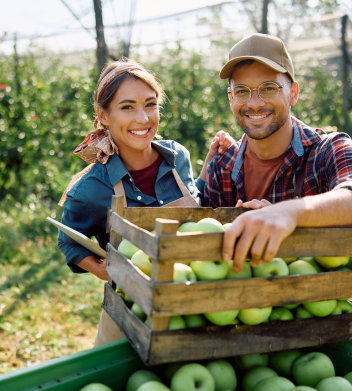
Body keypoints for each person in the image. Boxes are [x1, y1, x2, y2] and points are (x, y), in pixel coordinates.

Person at [57, 58, 232, 346]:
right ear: (103, 115)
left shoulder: (178, 158)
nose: (143, 119)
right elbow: (68, 241)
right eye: (128, 107)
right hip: (130, 313)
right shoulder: (91, 188)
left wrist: (211, 162)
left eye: (150, 104)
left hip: (193, 305)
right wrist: (106, 270)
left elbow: (194, 205)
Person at [200, 33, 352, 273]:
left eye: (268, 88)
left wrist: (288, 213)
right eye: (242, 91)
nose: (254, 103)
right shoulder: (222, 165)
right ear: (230, 98)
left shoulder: (328, 150)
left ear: (293, 93)